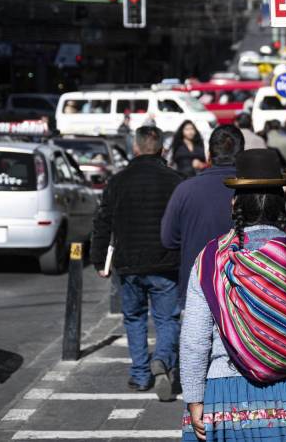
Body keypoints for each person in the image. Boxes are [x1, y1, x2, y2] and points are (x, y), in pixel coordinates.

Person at [180, 149, 286, 441]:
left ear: (235, 203)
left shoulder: (212, 259)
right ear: (281, 203)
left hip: (231, 396)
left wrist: (195, 398)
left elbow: (194, 341)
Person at [91, 126, 184, 400]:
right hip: (166, 261)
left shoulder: (118, 181)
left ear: (135, 148)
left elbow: (102, 222)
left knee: (134, 318)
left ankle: (141, 375)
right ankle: (163, 360)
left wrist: (98, 259)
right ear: (162, 150)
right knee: (167, 318)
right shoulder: (175, 180)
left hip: (128, 262)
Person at [160, 125, 244, 307]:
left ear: (208, 155)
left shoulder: (185, 190)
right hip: (240, 289)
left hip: (197, 287)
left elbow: (168, 239)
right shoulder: (254, 191)